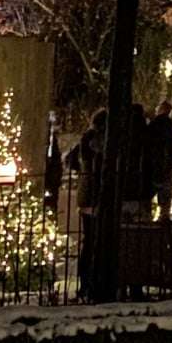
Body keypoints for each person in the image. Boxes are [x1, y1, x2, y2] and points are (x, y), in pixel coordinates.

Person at [66, 108, 108, 298]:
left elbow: (70, 160)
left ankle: (86, 283)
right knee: (94, 241)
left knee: (90, 241)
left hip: (86, 196)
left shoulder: (86, 138)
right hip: (95, 196)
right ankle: (91, 283)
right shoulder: (98, 140)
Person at [146, 97, 172, 219]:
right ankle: (164, 219)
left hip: (152, 167)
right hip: (167, 168)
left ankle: (148, 219)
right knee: (165, 199)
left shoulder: (151, 128)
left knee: (148, 196)